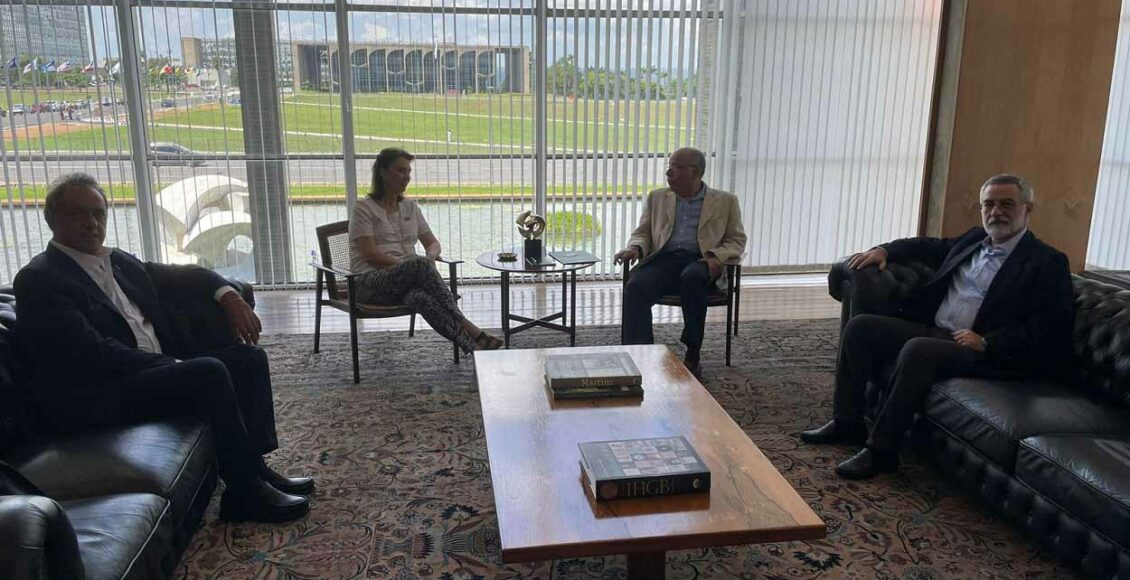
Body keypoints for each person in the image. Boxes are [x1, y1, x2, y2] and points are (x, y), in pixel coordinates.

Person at [14, 173, 314, 523]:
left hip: (150, 371)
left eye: (98, 213)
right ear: (53, 220)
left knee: (248, 359)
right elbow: (89, 352)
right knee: (208, 372)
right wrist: (170, 363)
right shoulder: (41, 279)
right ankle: (245, 493)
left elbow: (183, 274)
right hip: (102, 390)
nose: (91, 223)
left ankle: (255, 468)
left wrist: (229, 296)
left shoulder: (118, 261)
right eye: (78, 214)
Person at [801, 174, 1074, 480]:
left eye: (1007, 204)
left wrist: (988, 342)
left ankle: (882, 451)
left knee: (918, 350)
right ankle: (847, 423)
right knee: (860, 328)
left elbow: (1051, 326)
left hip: (986, 351)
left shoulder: (1047, 262)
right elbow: (927, 245)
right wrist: (884, 251)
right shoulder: (974, 239)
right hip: (937, 330)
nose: (996, 212)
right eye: (989, 204)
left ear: (1028, 208)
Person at [350, 147, 502, 353]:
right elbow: (370, 255)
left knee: (419, 298)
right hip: (369, 285)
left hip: (406, 283)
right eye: (400, 171)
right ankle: (470, 327)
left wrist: (429, 259)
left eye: (408, 172)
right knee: (418, 264)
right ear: (383, 172)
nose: (407, 177)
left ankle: (474, 347)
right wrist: (412, 266)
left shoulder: (410, 207)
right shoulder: (363, 208)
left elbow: (433, 243)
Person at [615, 147, 747, 378]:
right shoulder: (657, 197)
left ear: (695, 173)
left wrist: (715, 257)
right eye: (669, 166)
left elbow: (737, 240)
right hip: (664, 260)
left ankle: (693, 353)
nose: (669, 172)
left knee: (693, 278)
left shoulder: (726, 201)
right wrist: (635, 247)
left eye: (676, 167)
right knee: (636, 287)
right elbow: (643, 232)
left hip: (701, 260)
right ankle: (639, 352)